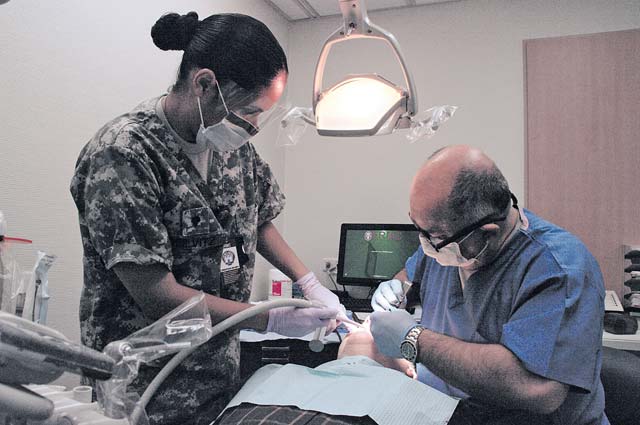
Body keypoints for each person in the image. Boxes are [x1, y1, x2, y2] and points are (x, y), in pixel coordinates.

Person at [70, 11, 341, 425]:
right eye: (248, 111)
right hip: (144, 388)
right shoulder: (125, 154)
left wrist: (307, 282)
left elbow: (259, 218)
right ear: (203, 84)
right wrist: (269, 315)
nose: (252, 126)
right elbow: (157, 295)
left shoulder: (231, 147)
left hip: (218, 379)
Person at [369, 145, 609, 424]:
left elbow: (538, 390)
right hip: (441, 411)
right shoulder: (445, 241)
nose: (427, 245)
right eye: (420, 231)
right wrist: (397, 290)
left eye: (433, 236)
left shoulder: (558, 269)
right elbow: (411, 274)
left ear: (487, 232)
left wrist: (415, 341)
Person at [214, 323, 459, 425]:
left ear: (410, 370)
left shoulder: (421, 393)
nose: (366, 325)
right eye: (360, 325)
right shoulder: (276, 372)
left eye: (385, 338)